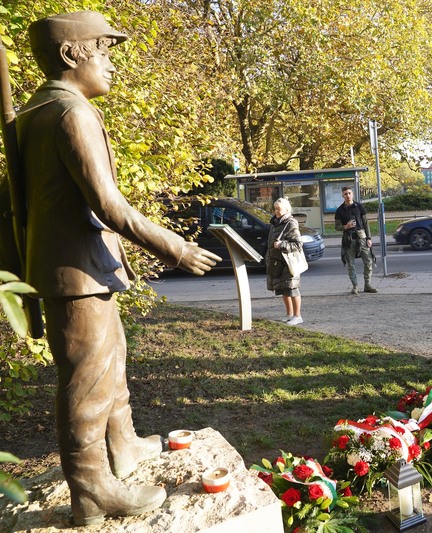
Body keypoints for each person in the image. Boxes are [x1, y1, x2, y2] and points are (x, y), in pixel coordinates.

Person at [15, 12, 221, 525]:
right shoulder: (71, 114)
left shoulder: (37, 112)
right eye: (102, 51)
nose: (110, 64)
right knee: (87, 380)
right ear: (70, 56)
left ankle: (122, 445)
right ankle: (91, 490)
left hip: (80, 265)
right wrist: (176, 248)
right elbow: (110, 205)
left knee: (112, 361)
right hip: (75, 270)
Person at [266, 197, 304, 325]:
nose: (276, 211)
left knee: (292, 289)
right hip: (277, 262)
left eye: (279, 209)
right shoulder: (274, 223)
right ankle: (289, 314)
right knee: (282, 289)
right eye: (275, 208)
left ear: (287, 209)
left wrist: (281, 245)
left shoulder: (291, 223)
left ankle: (298, 316)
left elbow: (298, 244)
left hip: (289, 263)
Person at [334, 186, 376, 294]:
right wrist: (345, 226)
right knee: (350, 264)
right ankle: (355, 286)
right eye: (345, 194)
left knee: (368, 261)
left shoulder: (360, 207)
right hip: (348, 239)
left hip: (362, 237)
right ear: (342, 195)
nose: (348, 195)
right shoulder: (339, 210)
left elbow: (366, 223)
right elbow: (336, 226)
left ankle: (367, 284)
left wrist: (369, 238)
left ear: (352, 194)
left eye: (349, 193)